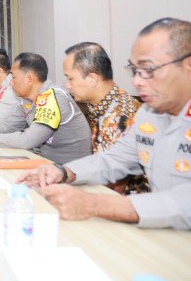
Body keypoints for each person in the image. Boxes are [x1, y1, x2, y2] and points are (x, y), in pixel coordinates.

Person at [18, 18, 191, 230]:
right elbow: (114, 159)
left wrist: (94, 204)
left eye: (148, 69)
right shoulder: (149, 113)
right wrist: (63, 172)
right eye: (134, 70)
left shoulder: (127, 111)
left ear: (189, 65)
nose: (136, 81)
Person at [63, 42, 147, 194]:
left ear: (92, 79)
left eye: (70, 79)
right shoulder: (103, 106)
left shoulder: (121, 116)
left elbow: (115, 183)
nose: (67, 85)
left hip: (126, 201)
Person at [0, 52, 92, 164]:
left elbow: (27, 140)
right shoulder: (27, 99)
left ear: (29, 79)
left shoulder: (52, 97)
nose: (11, 83)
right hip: (45, 162)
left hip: (68, 169)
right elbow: (9, 128)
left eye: (14, 77)